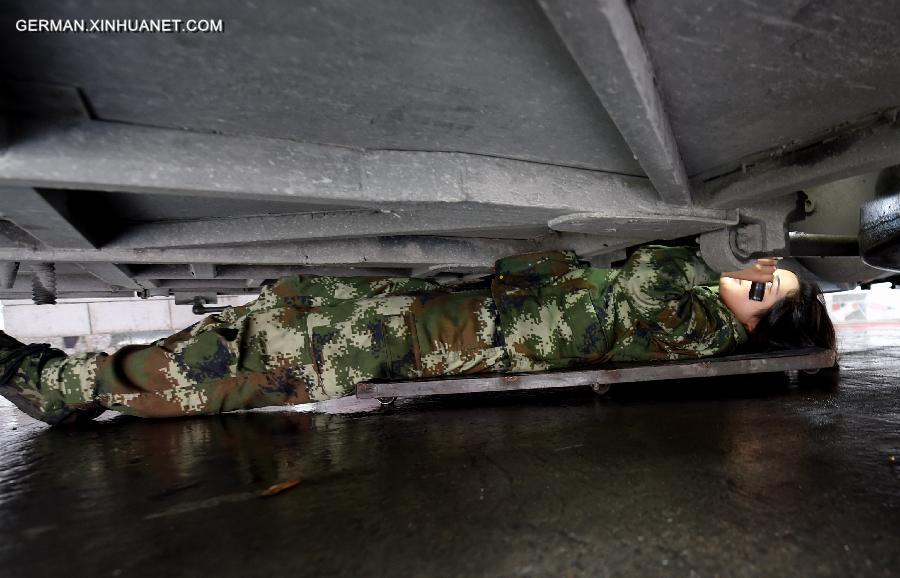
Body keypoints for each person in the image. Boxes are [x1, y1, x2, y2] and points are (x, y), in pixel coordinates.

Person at [0, 245, 836, 425]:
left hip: (368, 343)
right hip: (386, 326)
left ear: (759, 326)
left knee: (201, 371)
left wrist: (694, 241)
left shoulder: (694, 325)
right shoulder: (692, 312)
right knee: (218, 354)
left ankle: (52, 388)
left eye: (767, 291)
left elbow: (652, 276)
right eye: (767, 264)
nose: (756, 274)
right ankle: (69, 384)